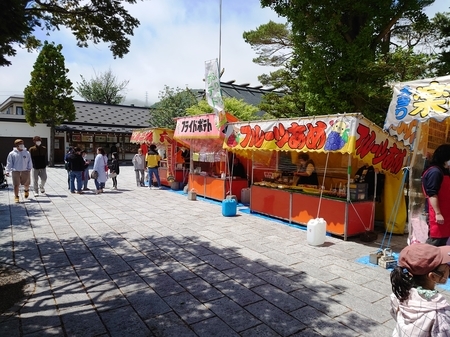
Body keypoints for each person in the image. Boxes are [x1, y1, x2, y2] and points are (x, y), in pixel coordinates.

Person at [390, 243, 450, 336]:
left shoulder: (399, 293)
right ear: (433, 277)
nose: (448, 267)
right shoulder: (439, 313)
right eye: (446, 266)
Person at [421, 144, 450, 246]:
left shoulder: (444, 171)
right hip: (436, 213)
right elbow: (432, 193)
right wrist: (438, 213)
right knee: (435, 241)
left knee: (443, 241)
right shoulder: (435, 172)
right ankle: (424, 260)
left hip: (446, 212)